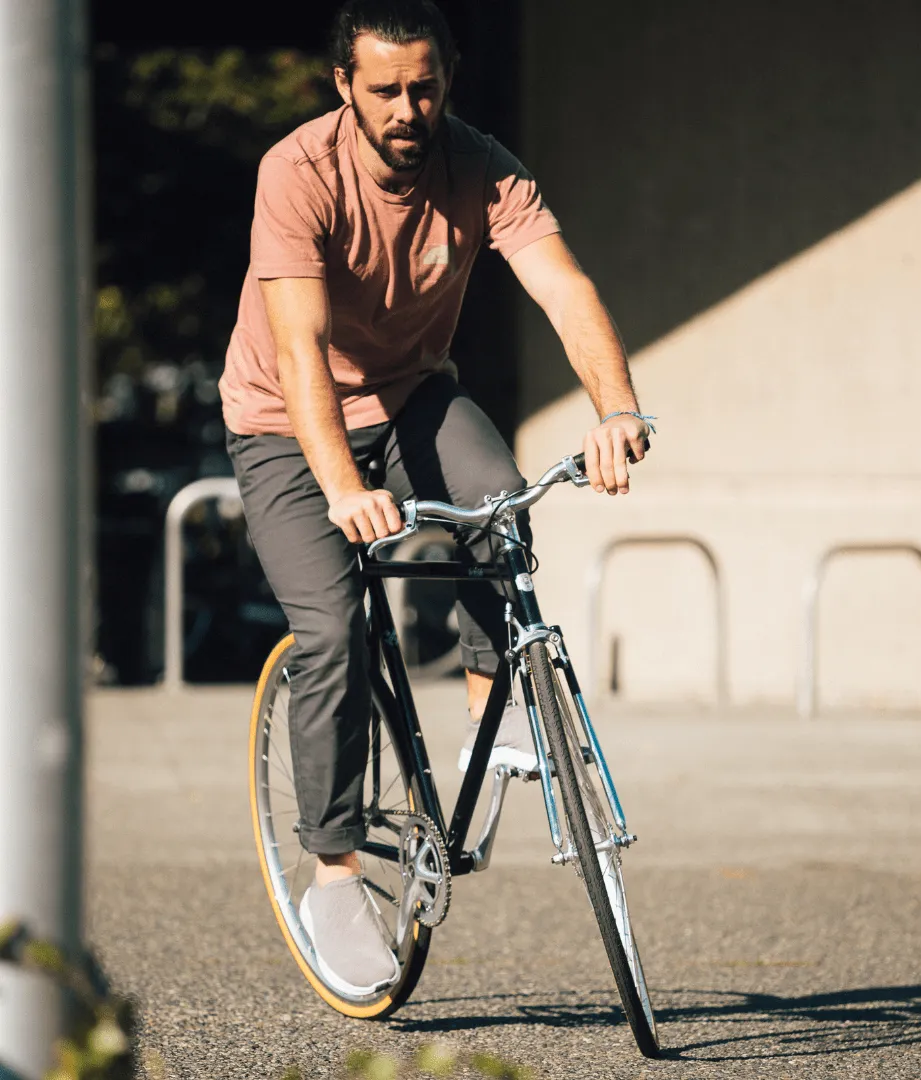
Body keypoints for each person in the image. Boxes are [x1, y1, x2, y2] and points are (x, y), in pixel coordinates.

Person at [220, 0, 652, 996]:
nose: (407, 109)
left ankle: (490, 713)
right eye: (384, 91)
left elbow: (564, 285)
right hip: (288, 423)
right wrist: (341, 488)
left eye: (424, 87)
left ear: (447, 80)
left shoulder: (481, 166)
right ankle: (333, 876)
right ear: (344, 87)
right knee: (332, 631)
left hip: (413, 395)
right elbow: (297, 353)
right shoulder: (297, 174)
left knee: (499, 500)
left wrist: (617, 407)